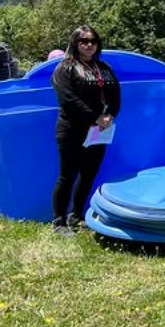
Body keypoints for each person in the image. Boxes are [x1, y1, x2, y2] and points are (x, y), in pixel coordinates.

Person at [50, 25, 121, 235]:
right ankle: (58, 221)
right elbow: (67, 99)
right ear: (75, 43)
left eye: (93, 40)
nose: (89, 44)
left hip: (99, 130)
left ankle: (76, 215)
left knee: (89, 173)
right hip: (72, 129)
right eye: (84, 41)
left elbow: (116, 94)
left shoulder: (104, 67)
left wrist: (110, 115)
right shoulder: (65, 67)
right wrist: (95, 116)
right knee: (67, 175)